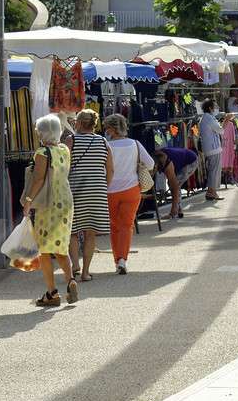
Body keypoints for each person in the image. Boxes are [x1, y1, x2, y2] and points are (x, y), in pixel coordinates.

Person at [21, 114, 76, 307]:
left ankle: (52, 291)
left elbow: (39, 179)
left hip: (49, 202)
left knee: (43, 247)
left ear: (42, 133)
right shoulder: (64, 150)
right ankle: (70, 280)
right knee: (60, 243)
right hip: (66, 199)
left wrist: (28, 200)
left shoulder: (42, 152)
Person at [64, 108, 113, 281]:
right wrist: (102, 187)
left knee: (72, 230)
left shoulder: (72, 140)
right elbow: (110, 169)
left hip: (76, 190)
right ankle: (85, 272)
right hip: (97, 192)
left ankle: (75, 263)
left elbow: (65, 167)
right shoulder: (103, 141)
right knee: (90, 232)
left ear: (78, 123)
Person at [103, 114, 154, 274]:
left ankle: (117, 259)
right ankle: (122, 259)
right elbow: (150, 164)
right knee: (127, 225)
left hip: (110, 190)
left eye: (105, 128)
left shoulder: (105, 145)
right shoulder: (135, 144)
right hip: (131, 189)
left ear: (111, 130)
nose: (104, 131)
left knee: (114, 226)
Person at [151, 145, 198, 219]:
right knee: (171, 183)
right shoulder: (152, 158)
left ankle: (176, 211)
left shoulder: (167, 165)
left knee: (176, 184)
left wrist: (173, 210)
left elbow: (175, 188)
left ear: (156, 166)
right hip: (181, 158)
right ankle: (177, 210)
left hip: (191, 160)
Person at [198, 100, 224, 201]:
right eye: (216, 105)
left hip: (208, 148)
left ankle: (210, 191)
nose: (218, 107)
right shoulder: (210, 118)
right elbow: (221, 131)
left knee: (212, 170)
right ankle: (213, 192)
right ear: (210, 108)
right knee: (215, 171)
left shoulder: (205, 117)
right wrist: (227, 120)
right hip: (214, 149)